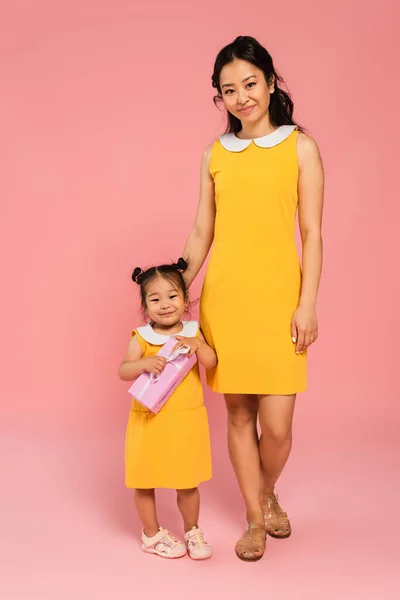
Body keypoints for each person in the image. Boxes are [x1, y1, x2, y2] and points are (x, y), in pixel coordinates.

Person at [182, 36, 324, 561]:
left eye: (249, 84)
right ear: (220, 99)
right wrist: (174, 284)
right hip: (227, 302)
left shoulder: (300, 147)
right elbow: (202, 233)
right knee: (238, 415)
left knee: (279, 428)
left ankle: (266, 492)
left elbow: (312, 232)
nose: (242, 97)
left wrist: (307, 303)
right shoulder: (215, 153)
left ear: (269, 81)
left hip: (280, 303)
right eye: (229, 90)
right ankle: (254, 517)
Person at [119, 258, 217, 560]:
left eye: (172, 296)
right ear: (145, 306)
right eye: (155, 298)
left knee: (187, 481)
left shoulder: (192, 332)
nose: (165, 304)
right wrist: (142, 363)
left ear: (186, 299)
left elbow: (212, 363)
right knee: (144, 479)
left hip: (185, 420)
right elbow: (124, 370)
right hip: (149, 420)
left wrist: (198, 345)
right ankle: (151, 534)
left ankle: (192, 530)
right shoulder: (142, 337)